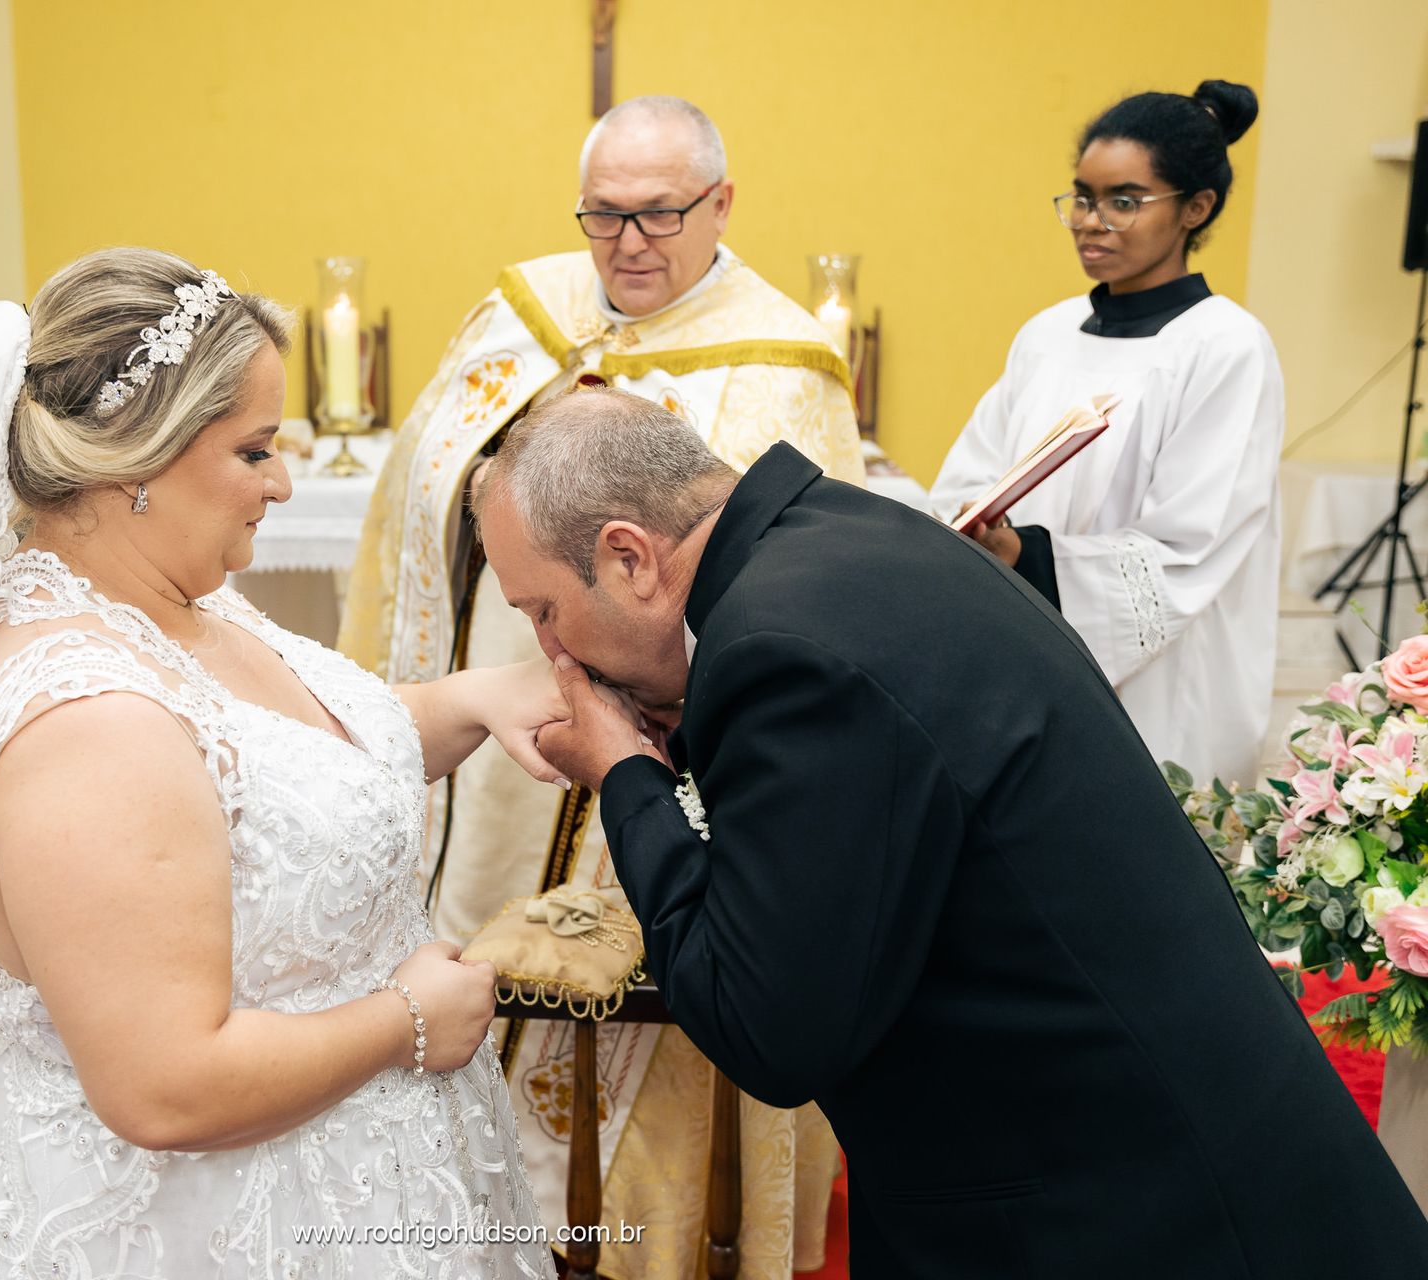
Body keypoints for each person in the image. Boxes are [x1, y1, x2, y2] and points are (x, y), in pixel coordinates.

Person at [0, 249, 558, 1278]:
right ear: (137, 466)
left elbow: (283, 763)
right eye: (254, 449)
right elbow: (166, 1083)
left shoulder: (167, 598)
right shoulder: (83, 722)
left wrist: (471, 699)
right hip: (205, 1227)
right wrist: (407, 1021)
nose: (283, 480)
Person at [473, 387, 1428, 1278]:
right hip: (1168, 1131)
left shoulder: (778, 652)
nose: (553, 655)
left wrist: (627, 777)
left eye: (545, 612)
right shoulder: (841, 533)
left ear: (630, 555)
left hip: (1129, 1211)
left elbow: (765, 1028)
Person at [340, 94, 859, 1275]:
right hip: (493, 718)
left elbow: (791, 582)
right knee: (464, 930)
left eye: (660, 214)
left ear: (722, 204)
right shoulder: (519, 310)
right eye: (604, 215)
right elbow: (415, 498)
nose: (628, 243)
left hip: (639, 744)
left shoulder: (784, 359)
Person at [931, 80, 1282, 789]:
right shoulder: (1048, 334)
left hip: (1163, 687)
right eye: (1083, 198)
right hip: (1026, 648)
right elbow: (972, 473)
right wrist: (974, 528)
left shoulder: (1225, 347)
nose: (1092, 221)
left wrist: (1026, 555)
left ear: (1197, 207)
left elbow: (1190, 547)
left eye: (1124, 200)